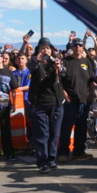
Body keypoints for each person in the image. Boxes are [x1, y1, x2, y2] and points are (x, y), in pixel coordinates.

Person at [28, 37, 65, 173]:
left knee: (54, 134)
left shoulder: (56, 62)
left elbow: (64, 73)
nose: (45, 50)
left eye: (47, 48)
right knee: (42, 134)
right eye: (42, 48)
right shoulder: (35, 63)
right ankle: (42, 162)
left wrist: (58, 67)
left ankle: (51, 159)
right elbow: (30, 66)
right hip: (40, 105)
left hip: (56, 104)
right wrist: (38, 59)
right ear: (38, 50)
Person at [57, 38, 96, 162]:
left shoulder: (87, 62)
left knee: (81, 127)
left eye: (80, 45)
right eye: (75, 45)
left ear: (82, 47)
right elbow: (59, 81)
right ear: (72, 47)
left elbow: (91, 80)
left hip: (84, 100)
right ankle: (63, 153)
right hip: (70, 101)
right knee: (66, 128)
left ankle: (79, 152)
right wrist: (65, 95)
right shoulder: (65, 62)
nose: (77, 47)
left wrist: (90, 95)